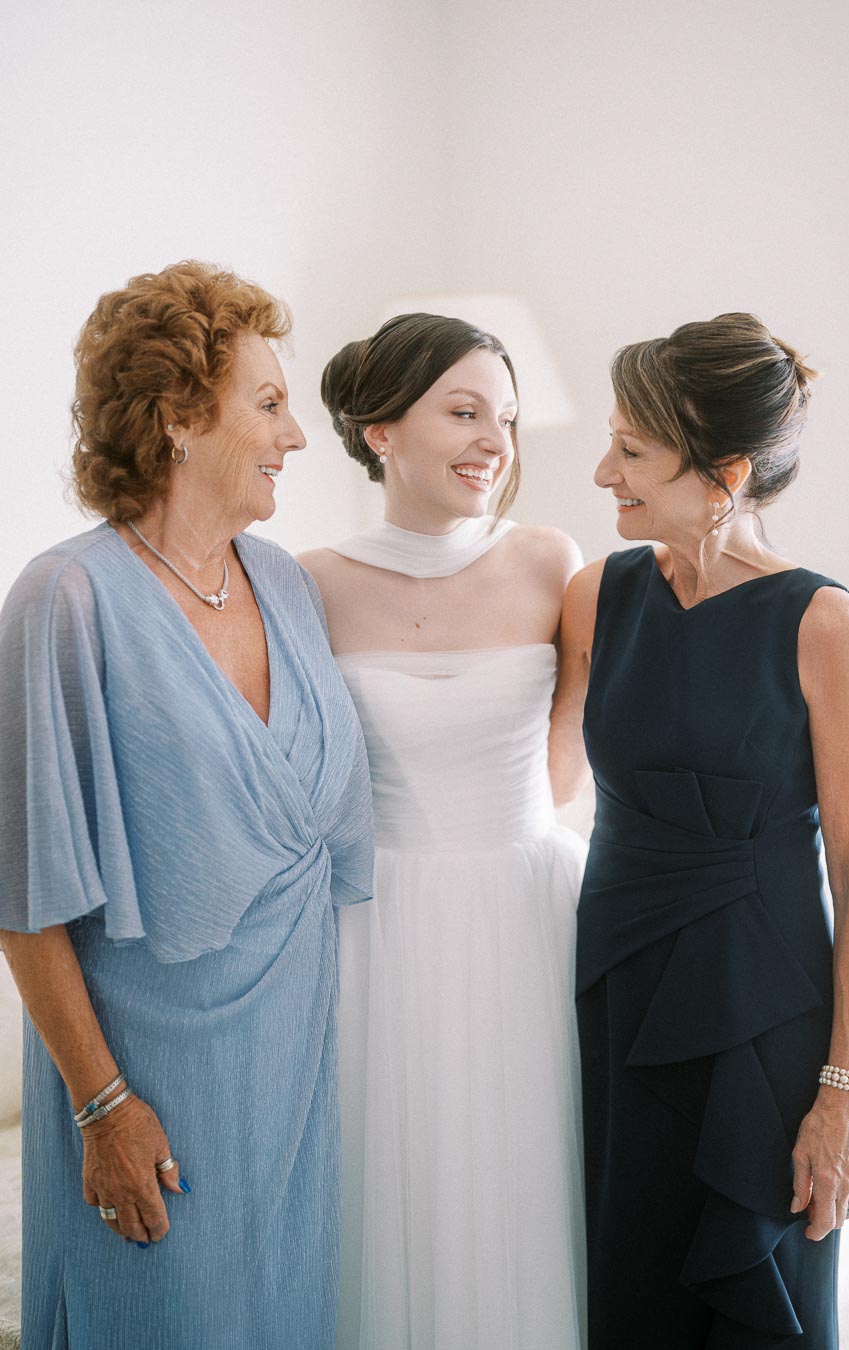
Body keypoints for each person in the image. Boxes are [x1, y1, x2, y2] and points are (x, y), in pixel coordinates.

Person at [0, 261, 373, 1350]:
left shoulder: (290, 587)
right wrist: (104, 1108)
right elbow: (25, 902)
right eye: (268, 403)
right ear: (175, 418)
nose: (296, 436)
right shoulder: (65, 600)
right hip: (146, 1089)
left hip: (294, 1087)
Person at [554, 312, 849, 1348]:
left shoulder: (821, 621)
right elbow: (535, 775)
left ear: (726, 471)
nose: (605, 471)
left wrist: (842, 1093)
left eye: (633, 450)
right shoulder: (595, 594)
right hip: (623, 983)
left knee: (760, 1296)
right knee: (634, 1282)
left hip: (765, 1004)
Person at [298, 312, 590, 1350]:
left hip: (524, 909)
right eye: (463, 412)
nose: (494, 443)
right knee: (392, 1173)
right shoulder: (307, 583)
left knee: (514, 1168)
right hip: (376, 925)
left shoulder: (555, 563)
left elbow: (572, 742)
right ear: (381, 431)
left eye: (505, 420)